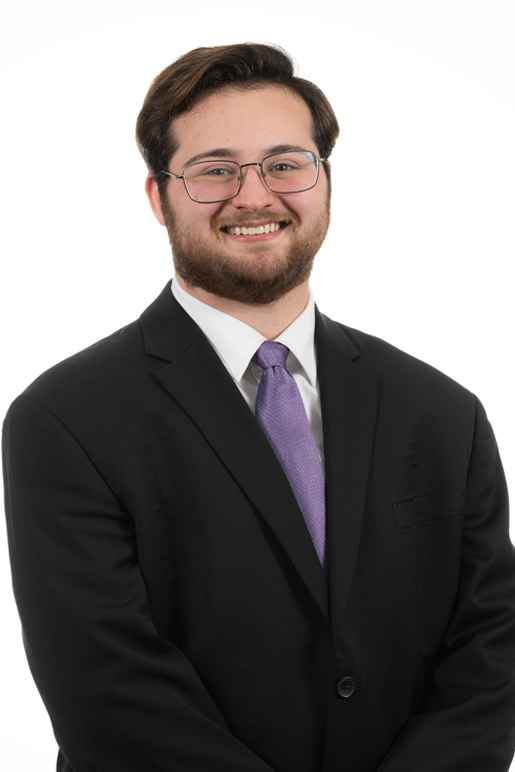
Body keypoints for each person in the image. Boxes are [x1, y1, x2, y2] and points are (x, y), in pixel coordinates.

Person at [2, 42, 514, 772]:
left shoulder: (442, 414)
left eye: (284, 163)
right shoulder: (63, 419)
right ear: (158, 196)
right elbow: (107, 690)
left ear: (323, 182)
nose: (253, 195)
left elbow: (490, 652)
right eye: (215, 170)